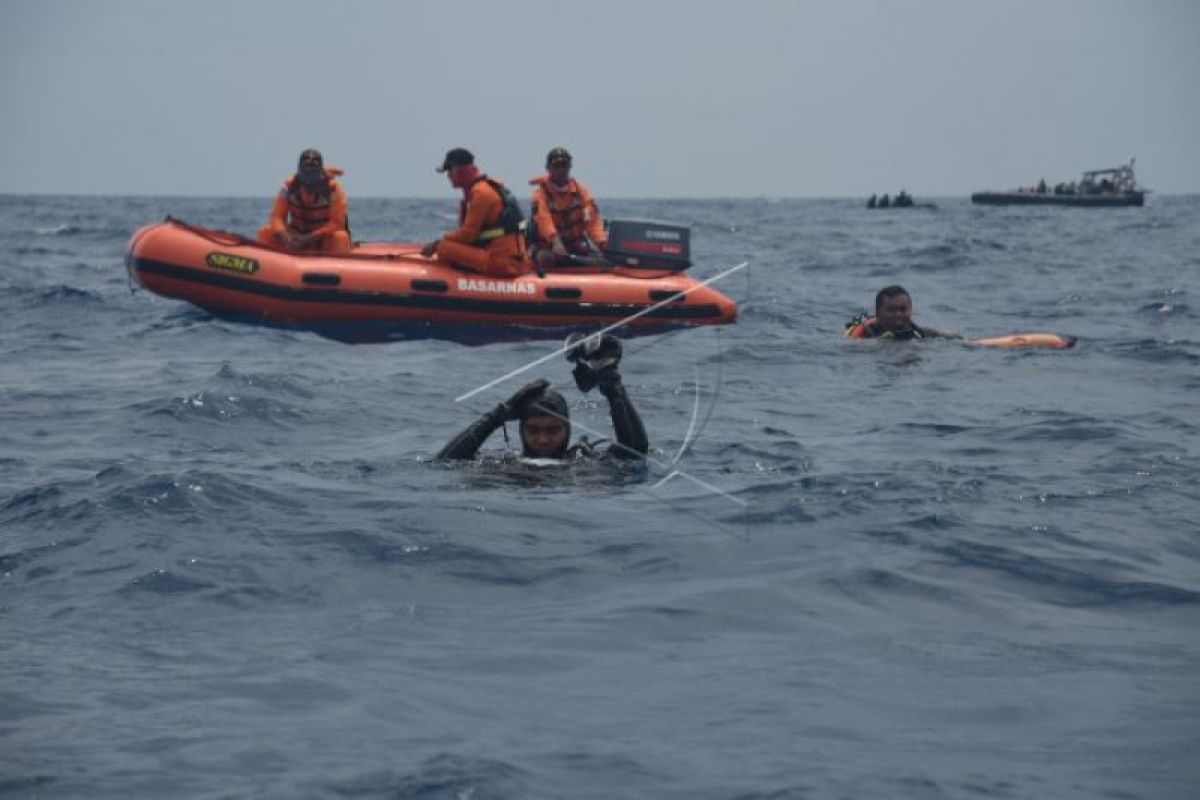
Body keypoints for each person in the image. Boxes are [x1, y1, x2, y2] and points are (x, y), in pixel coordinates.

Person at [437, 334, 648, 461]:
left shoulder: (584, 464)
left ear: (567, 430)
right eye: (533, 430)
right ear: (521, 429)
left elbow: (635, 450)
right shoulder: (506, 467)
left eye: (553, 430)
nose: (543, 440)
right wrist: (497, 415)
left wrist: (610, 379)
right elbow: (445, 463)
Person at [420, 148, 531, 278]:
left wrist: (438, 243)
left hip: (503, 263)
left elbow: (468, 235)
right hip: (509, 259)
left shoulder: (481, 193)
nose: (448, 176)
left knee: (443, 248)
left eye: (449, 171)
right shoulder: (483, 189)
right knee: (446, 246)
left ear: (460, 171)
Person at [257, 149, 352, 254]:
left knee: (340, 237)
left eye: (313, 183)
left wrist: (308, 238)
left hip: (322, 238)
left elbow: (337, 223)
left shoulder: (334, 189)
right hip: (295, 236)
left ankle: (338, 265)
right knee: (264, 232)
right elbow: (277, 217)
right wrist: (285, 236)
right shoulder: (288, 187)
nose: (309, 189)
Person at [528, 147, 608, 270]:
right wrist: (555, 241)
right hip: (547, 246)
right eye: (556, 166)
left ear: (569, 167)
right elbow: (544, 219)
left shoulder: (581, 192)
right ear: (548, 168)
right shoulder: (541, 194)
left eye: (564, 165)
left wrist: (603, 244)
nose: (560, 170)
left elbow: (592, 222)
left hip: (574, 246)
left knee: (601, 261)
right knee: (545, 258)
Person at [843, 285, 956, 340]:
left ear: (910, 310)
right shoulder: (865, 335)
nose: (898, 314)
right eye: (891, 310)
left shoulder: (921, 333)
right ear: (878, 313)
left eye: (903, 309)